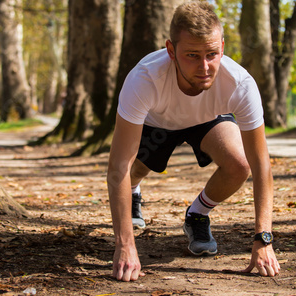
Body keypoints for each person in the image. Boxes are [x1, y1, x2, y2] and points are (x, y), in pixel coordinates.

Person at [106, 1, 280, 282]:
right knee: (133, 171)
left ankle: (197, 215)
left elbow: (262, 166)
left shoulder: (240, 84)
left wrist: (264, 238)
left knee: (239, 164)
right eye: (192, 55)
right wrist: (124, 244)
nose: (205, 66)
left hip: (206, 119)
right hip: (156, 122)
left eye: (212, 54)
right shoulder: (145, 79)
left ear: (222, 47)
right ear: (171, 51)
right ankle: (135, 192)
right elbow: (118, 166)